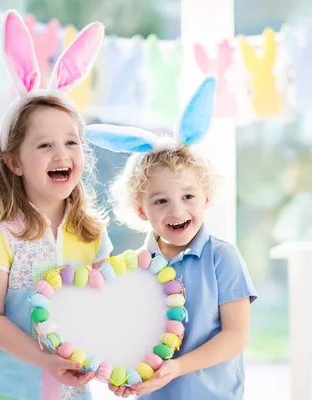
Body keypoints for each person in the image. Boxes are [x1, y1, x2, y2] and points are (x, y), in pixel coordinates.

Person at [0, 11, 111, 400]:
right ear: (14, 162)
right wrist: (44, 359)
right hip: (11, 392)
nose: (61, 153)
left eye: (71, 142)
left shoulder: (93, 234)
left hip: (73, 392)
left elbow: (105, 309)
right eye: (44, 144)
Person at [85, 76, 257, 400]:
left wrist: (178, 368)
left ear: (206, 198)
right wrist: (124, 374)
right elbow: (130, 336)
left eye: (188, 196)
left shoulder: (223, 257)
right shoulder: (136, 267)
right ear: (141, 211)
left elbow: (235, 336)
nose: (177, 211)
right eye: (161, 201)